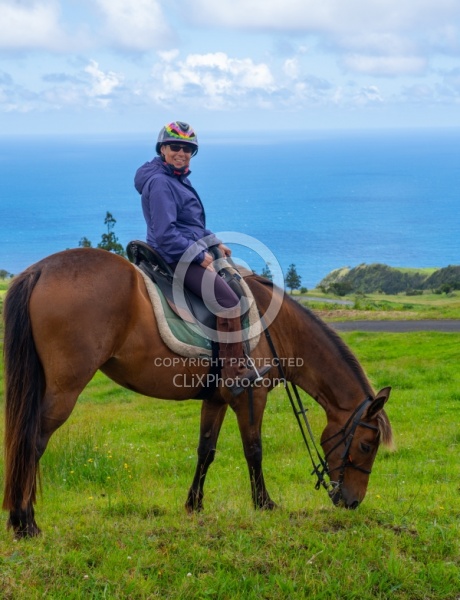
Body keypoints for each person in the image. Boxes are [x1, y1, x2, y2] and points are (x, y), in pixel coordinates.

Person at [134, 121, 269, 396]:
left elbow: (189, 224)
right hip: (173, 256)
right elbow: (165, 234)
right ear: (163, 149)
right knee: (230, 302)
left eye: (188, 149)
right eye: (175, 147)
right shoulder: (161, 182)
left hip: (182, 249)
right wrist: (197, 255)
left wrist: (212, 240)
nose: (181, 153)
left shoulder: (175, 178)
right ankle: (234, 372)